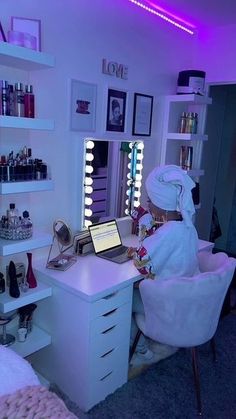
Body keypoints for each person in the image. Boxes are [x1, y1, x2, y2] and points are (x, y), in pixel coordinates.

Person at [129, 164, 200, 367]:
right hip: (182, 300)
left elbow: (141, 264)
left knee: (123, 298)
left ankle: (141, 351)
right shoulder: (187, 227)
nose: (148, 204)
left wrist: (143, 224)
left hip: (165, 305)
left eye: (151, 200)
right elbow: (162, 254)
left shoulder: (167, 233)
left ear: (162, 204)